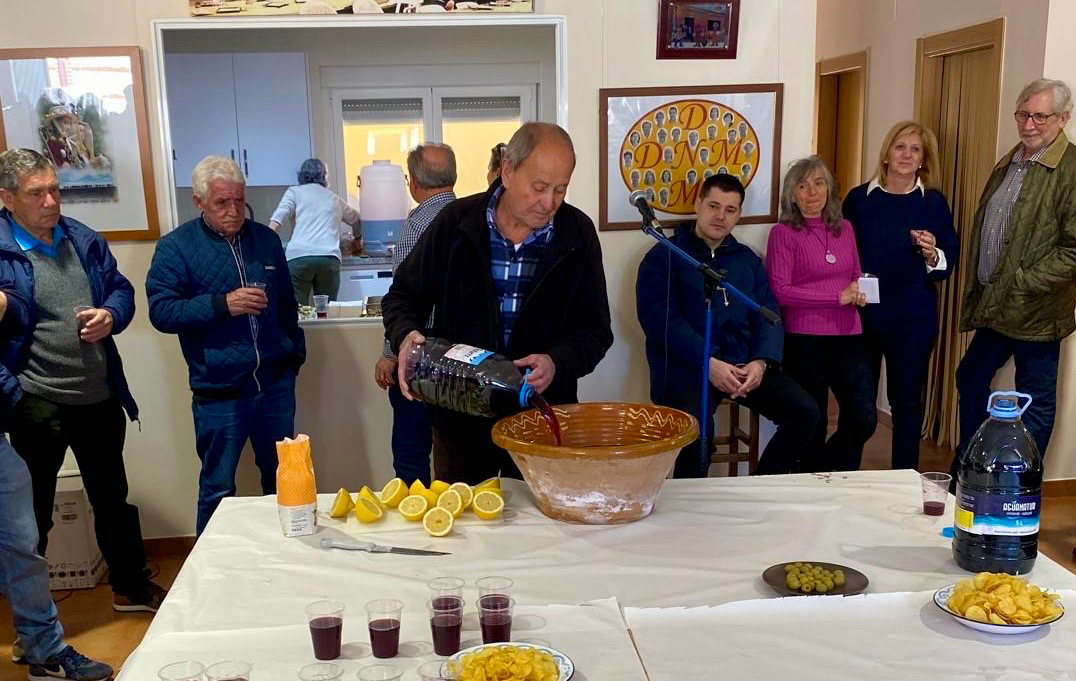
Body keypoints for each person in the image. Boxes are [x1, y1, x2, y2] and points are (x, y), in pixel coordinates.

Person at [382, 122, 613, 483]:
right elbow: (402, 296)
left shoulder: (577, 234)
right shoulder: (456, 223)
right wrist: (405, 334)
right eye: (538, 187)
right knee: (465, 530)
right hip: (461, 425)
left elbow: (596, 330)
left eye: (560, 189)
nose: (549, 202)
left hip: (541, 422)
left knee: (546, 534)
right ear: (507, 170)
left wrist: (557, 362)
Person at [0, 148, 166, 614]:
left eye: (55, 189)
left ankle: (131, 588)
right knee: (32, 512)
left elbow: (120, 289)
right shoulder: (1, 251)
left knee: (113, 499)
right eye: (37, 193)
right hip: (36, 399)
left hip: (98, 392)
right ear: (7, 199)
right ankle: (33, 620)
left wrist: (111, 314)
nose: (51, 201)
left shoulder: (82, 238)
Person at [147, 156, 305, 535]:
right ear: (199, 201)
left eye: (239, 200)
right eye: (222, 203)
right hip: (219, 391)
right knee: (217, 488)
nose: (233, 211)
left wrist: (293, 354)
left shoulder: (265, 240)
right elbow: (162, 312)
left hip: (274, 385)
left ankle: (285, 561)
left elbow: (286, 304)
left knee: (285, 481)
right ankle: (210, 576)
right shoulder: (176, 248)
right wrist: (223, 304)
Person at [637, 173, 818, 478]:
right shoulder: (664, 256)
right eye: (713, 206)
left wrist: (760, 362)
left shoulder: (746, 259)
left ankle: (760, 486)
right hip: (689, 368)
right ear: (698, 204)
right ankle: (692, 514)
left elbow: (768, 312)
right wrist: (709, 362)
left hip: (743, 366)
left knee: (805, 414)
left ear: (739, 215)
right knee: (697, 439)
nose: (720, 216)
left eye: (730, 209)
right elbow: (661, 321)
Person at [953, 78, 1076, 473]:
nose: (1029, 123)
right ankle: (974, 469)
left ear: (1063, 119)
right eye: (1023, 114)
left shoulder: (1071, 169)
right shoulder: (1013, 160)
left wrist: (1024, 281)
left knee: (1035, 401)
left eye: (1040, 116)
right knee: (970, 378)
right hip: (998, 305)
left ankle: (1019, 485)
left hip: (1036, 311)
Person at [842, 121, 958, 470]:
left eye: (915, 149)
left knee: (906, 404)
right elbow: (842, 253)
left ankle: (904, 481)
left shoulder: (933, 203)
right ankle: (846, 479)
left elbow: (946, 265)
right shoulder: (859, 200)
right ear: (887, 154)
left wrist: (931, 252)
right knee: (858, 405)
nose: (907, 155)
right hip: (862, 319)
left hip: (912, 322)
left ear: (924, 159)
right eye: (900, 147)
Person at [766, 156, 876, 472]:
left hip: (849, 335)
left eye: (818, 183)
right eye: (802, 185)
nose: (812, 192)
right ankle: (812, 488)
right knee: (813, 422)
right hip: (805, 339)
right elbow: (781, 292)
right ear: (792, 194)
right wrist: (835, 297)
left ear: (829, 189)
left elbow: (855, 273)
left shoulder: (846, 228)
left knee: (862, 419)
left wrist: (858, 290)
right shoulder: (782, 233)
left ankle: (819, 472)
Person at [373, 143, 457, 485]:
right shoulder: (474, 218)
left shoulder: (417, 226)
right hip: (461, 360)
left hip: (422, 360)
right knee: (455, 459)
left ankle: (415, 531)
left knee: (410, 457)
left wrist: (389, 354)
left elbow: (405, 298)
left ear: (414, 184)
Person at [269, 158, 362, 305]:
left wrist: (264, 242)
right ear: (324, 176)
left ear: (301, 175)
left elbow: (279, 218)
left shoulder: (294, 192)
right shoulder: (333, 198)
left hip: (299, 257)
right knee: (326, 310)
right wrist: (357, 239)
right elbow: (356, 219)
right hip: (328, 258)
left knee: (296, 310)